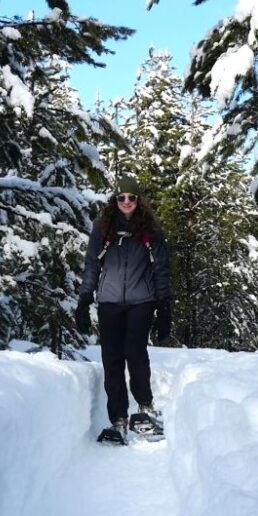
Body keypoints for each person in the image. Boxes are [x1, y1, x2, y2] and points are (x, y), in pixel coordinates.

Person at [76, 175, 172, 444]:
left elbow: (161, 270)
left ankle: (145, 407)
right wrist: (84, 299)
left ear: (138, 200)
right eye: (121, 197)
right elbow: (92, 266)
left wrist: (164, 306)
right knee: (112, 360)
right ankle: (118, 418)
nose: (126, 202)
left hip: (142, 301)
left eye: (131, 197)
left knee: (135, 353)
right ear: (115, 200)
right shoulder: (103, 229)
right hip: (109, 303)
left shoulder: (151, 231)